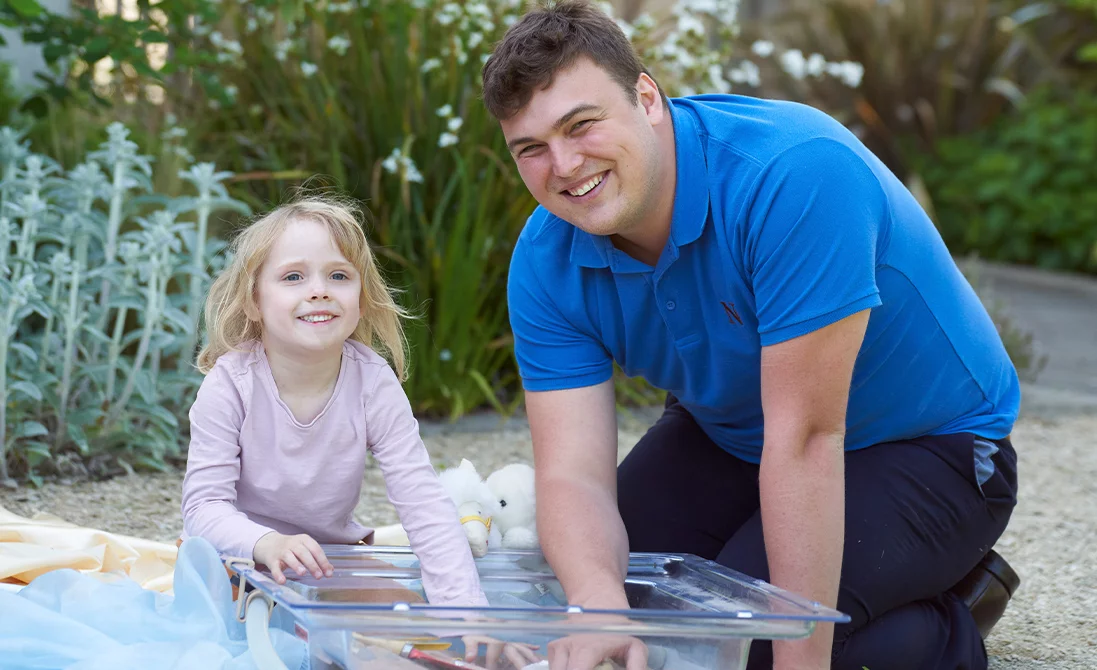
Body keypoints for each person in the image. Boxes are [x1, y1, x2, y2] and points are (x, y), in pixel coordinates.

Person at [481, 2, 1021, 669]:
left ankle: (951, 622)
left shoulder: (793, 175)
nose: (562, 166)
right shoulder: (545, 257)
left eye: (581, 125)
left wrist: (790, 658)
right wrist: (597, 606)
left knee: (741, 643)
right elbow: (571, 474)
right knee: (581, 602)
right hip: (734, 433)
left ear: (645, 97)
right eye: (531, 149)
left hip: (930, 449)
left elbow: (806, 438)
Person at [180, 195, 539, 669]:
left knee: (417, 625)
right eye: (293, 277)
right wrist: (267, 545)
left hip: (329, 561)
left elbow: (423, 500)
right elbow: (203, 509)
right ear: (253, 300)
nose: (319, 290)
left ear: (361, 296)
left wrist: (467, 613)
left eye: (339, 276)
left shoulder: (372, 381)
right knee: (251, 644)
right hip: (239, 562)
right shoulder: (230, 385)